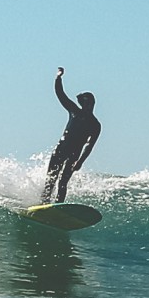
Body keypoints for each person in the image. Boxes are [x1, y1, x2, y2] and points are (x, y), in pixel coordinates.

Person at [45, 68, 99, 204]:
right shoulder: (75, 111)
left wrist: (80, 162)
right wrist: (58, 78)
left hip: (74, 154)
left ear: (92, 103)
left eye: (88, 102)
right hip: (61, 149)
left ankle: (58, 206)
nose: (86, 105)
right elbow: (61, 94)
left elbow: (89, 146)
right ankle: (43, 204)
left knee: (63, 182)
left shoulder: (95, 125)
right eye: (84, 102)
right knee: (51, 180)